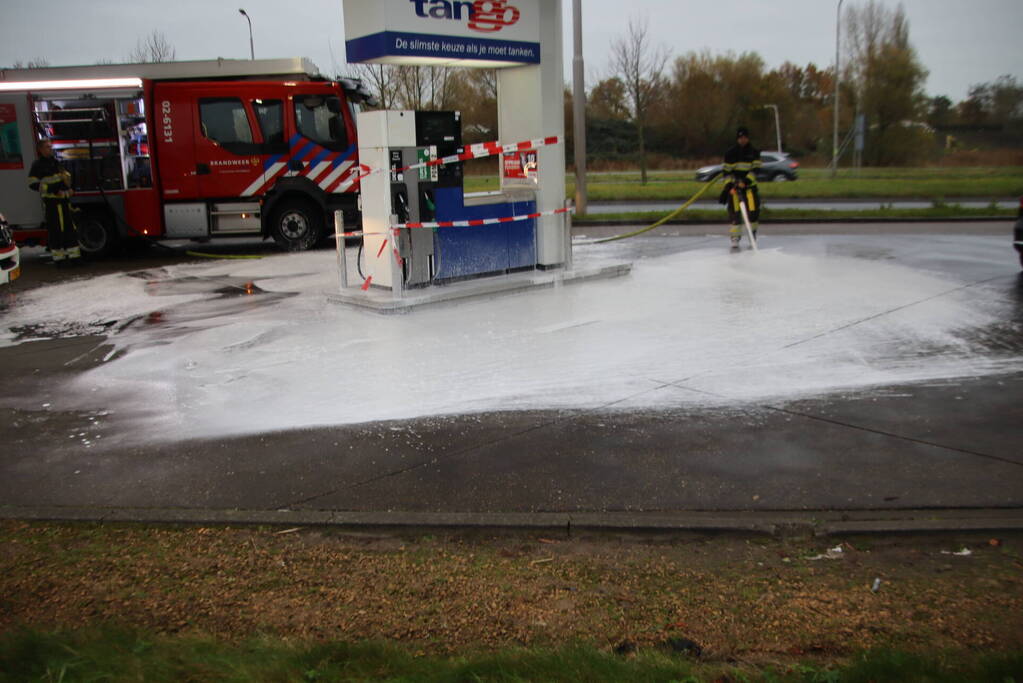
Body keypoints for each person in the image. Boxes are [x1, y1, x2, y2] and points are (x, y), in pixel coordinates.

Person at [27, 139, 81, 265]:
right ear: (40, 150)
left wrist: (68, 188)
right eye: (47, 147)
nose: (50, 149)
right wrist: (52, 190)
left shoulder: (56, 163)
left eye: (50, 147)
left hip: (63, 202)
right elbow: (32, 184)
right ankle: (60, 260)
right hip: (51, 203)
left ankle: (75, 258)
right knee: (56, 231)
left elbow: (65, 178)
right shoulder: (37, 166)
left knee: (69, 230)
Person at [720, 126, 762, 249]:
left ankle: (752, 235)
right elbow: (726, 172)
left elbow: (756, 170)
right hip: (734, 189)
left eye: (744, 137)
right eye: (740, 138)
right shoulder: (730, 153)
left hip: (750, 189)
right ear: (737, 138)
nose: (742, 140)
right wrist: (729, 186)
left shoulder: (754, 152)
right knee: (735, 213)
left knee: (753, 213)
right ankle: (735, 238)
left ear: (747, 138)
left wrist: (746, 181)